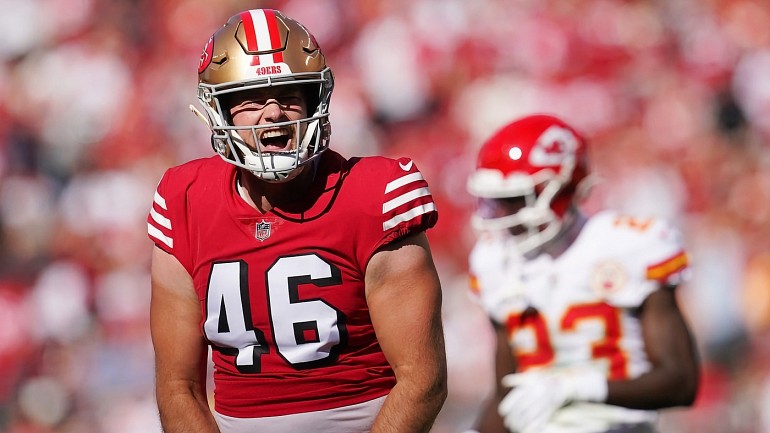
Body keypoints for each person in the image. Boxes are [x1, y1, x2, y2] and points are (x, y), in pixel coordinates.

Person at [146, 9, 447, 433]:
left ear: (315, 100)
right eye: (249, 99)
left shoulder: (375, 194)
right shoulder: (184, 200)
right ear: (220, 112)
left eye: (290, 94)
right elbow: (179, 389)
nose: (273, 114)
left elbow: (423, 382)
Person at [464, 114, 700, 433]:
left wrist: (579, 389)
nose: (504, 215)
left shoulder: (629, 245)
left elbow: (681, 381)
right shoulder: (494, 261)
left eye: (516, 199)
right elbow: (509, 394)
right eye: (498, 202)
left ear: (563, 187)